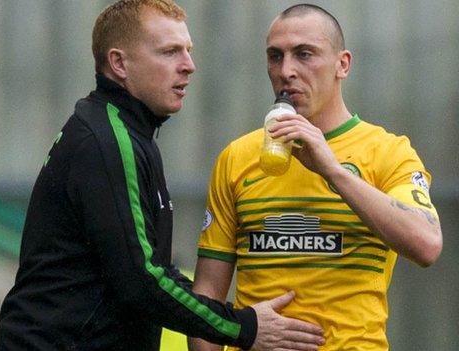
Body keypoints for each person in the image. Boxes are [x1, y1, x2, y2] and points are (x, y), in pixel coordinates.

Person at [0, 1, 326, 350]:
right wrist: (243, 327)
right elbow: (144, 280)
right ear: (119, 63)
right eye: (170, 52)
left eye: (188, 51)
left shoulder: (127, 132)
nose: (189, 66)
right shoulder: (109, 140)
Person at [189, 3, 443, 351]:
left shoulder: (387, 152)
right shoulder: (237, 158)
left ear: (343, 64)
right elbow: (208, 293)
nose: (286, 70)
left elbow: (427, 244)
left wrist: (333, 172)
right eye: (275, 56)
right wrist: (238, 332)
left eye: (304, 54)